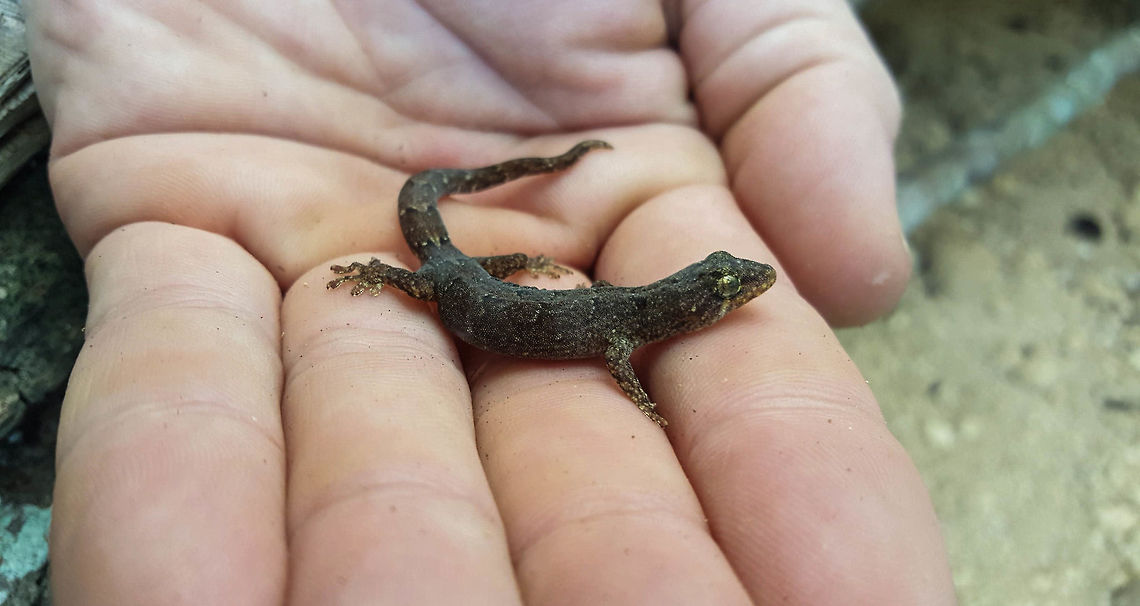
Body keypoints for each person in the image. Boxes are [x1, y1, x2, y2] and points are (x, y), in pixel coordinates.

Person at [27, 1, 956, 603]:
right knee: (442, 277)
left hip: (468, 274)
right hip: (446, 281)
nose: (743, 289)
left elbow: (620, 349)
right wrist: (396, 276)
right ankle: (410, 269)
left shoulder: (628, 318)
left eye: (731, 285)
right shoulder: (623, 326)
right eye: (730, 285)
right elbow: (619, 362)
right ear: (697, 307)